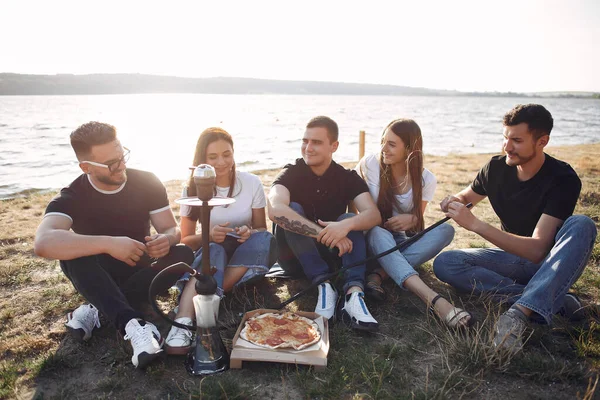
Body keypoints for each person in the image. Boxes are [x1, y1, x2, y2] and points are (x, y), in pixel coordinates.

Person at [432, 104, 597, 352]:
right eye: (505, 138)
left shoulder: (563, 178)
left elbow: (538, 251)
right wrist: (451, 201)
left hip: (550, 264)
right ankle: (553, 300)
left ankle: (518, 314)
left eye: (517, 140)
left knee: (582, 224)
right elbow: (465, 196)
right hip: (510, 259)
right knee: (446, 263)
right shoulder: (495, 168)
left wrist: (475, 225)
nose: (507, 147)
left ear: (542, 141)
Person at [34, 121, 194, 369]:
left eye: (122, 156)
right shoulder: (73, 195)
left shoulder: (147, 181)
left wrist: (167, 240)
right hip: (95, 273)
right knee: (72, 251)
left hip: (139, 265)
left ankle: (97, 308)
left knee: (183, 253)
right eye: (111, 163)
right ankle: (133, 325)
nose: (121, 166)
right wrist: (109, 244)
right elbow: (43, 242)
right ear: (86, 167)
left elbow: (172, 229)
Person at [165, 127, 276, 354]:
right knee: (215, 248)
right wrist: (208, 235)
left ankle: (205, 298)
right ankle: (185, 320)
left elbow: (260, 228)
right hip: (213, 254)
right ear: (202, 160)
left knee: (266, 237)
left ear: (234, 153)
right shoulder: (193, 187)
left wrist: (247, 232)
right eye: (212, 157)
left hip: (243, 258)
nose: (221, 162)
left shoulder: (251, 182)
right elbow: (186, 240)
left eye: (227, 154)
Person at [268, 116, 382, 332]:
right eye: (305, 141)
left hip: (333, 257)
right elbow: (275, 209)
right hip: (295, 259)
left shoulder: (347, 177)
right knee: (292, 209)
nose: (308, 148)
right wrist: (324, 233)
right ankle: (324, 285)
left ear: (334, 146)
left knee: (350, 220)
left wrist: (343, 228)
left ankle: (353, 294)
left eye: (316, 142)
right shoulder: (291, 172)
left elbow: (373, 215)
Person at [356, 119, 472, 328]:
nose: (384, 148)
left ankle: (379, 274)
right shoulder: (370, 164)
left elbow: (417, 219)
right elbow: (355, 208)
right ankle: (435, 300)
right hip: (370, 238)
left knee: (445, 230)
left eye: (391, 144)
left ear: (410, 148)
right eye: (383, 141)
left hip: (400, 241)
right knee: (378, 233)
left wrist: (412, 218)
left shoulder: (426, 179)